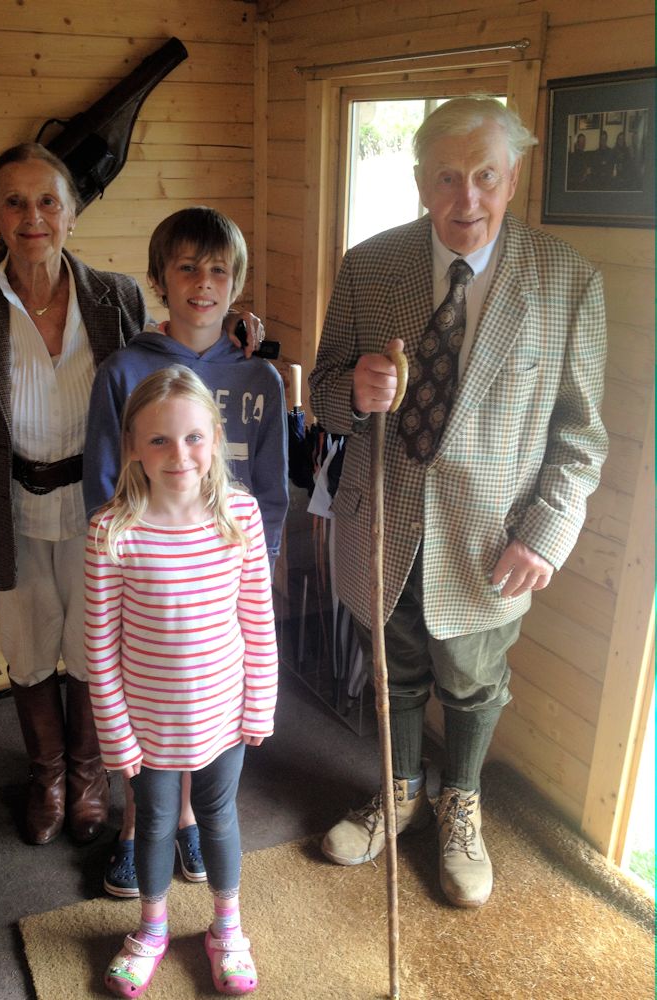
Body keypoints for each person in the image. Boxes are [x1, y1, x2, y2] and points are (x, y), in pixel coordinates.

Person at [0, 143, 262, 850]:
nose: (32, 216)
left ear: (72, 214)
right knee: (30, 648)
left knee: (99, 648)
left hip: (106, 508)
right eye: (14, 202)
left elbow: (166, 365)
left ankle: (90, 775)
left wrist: (231, 332)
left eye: (49, 201)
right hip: (5, 509)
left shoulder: (116, 296)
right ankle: (48, 776)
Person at [308, 96, 607, 909]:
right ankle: (399, 792)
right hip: (382, 524)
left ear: (513, 177)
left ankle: (461, 806)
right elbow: (321, 395)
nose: (466, 198)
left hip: (491, 541)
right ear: (420, 181)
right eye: (447, 177)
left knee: (473, 683)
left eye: (484, 176)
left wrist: (546, 533)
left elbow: (581, 437)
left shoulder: (568, 281)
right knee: (396, 669)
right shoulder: (369, 266)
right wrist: (351, 390)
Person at [83, 205, 288, 898]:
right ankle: (137, 822)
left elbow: (270, 488)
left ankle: (194, 821)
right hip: (147, 573)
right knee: (145, 700)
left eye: (219, 271)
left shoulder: (260, 379)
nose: (203, 283)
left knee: (208, 709)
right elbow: (103, 483)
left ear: (237, 283)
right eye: (187, 268)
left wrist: (257, 564)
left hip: (221, 572)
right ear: (160, 278)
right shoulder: (125, 370)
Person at [84, 365, 277, 997]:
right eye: (159, 440)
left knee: (218, 817)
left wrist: (260, 705)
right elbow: (100, 647)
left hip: (224, 715)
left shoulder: (240, 517)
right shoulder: (112, 531)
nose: (179, 454)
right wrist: (116, 735)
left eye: (194, 437)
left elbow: (257, 621)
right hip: (147, 726)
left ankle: (227, 928)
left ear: (216, 439)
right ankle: (152, 928)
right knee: (154, 822)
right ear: (132, 446)